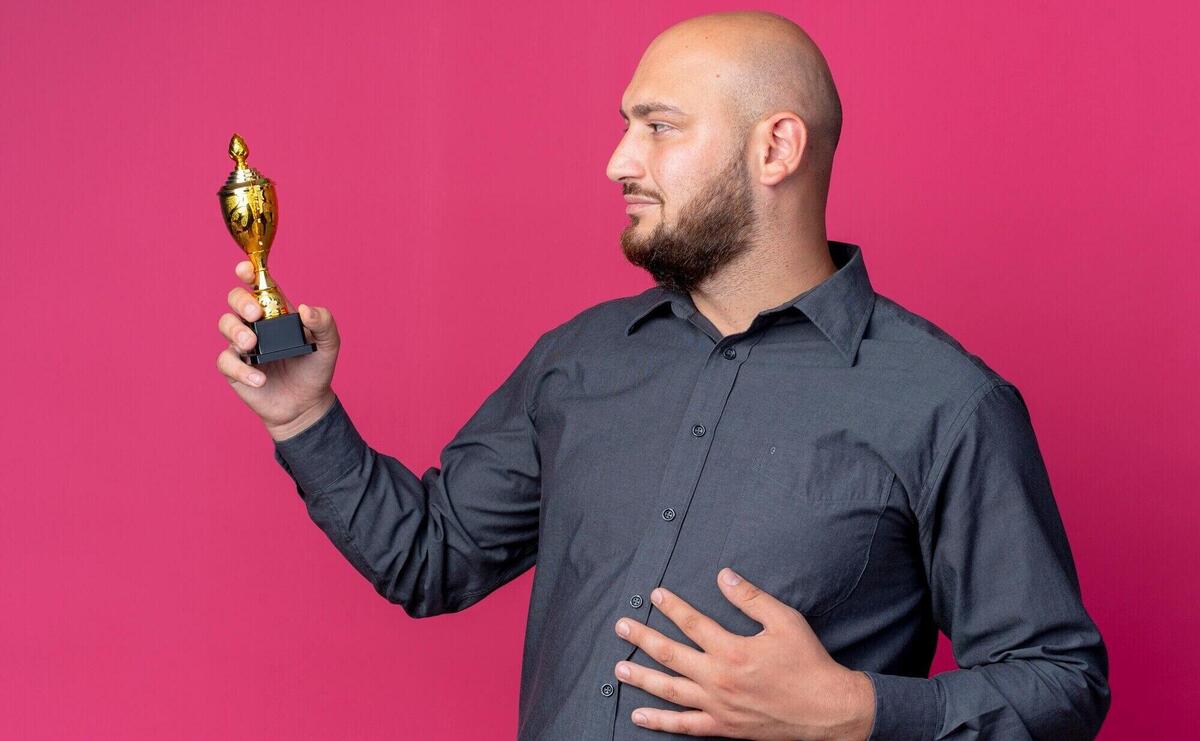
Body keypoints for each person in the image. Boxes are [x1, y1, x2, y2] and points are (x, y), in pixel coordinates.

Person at [215, 10, 1110, 740]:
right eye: (625, 125)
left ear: (775, 149)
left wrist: (853, 710)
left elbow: (1061, 682)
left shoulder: (947, 403)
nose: (618, 161)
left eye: (659, 126)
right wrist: (306, 417)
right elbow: (429, 558)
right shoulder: (579, 360)